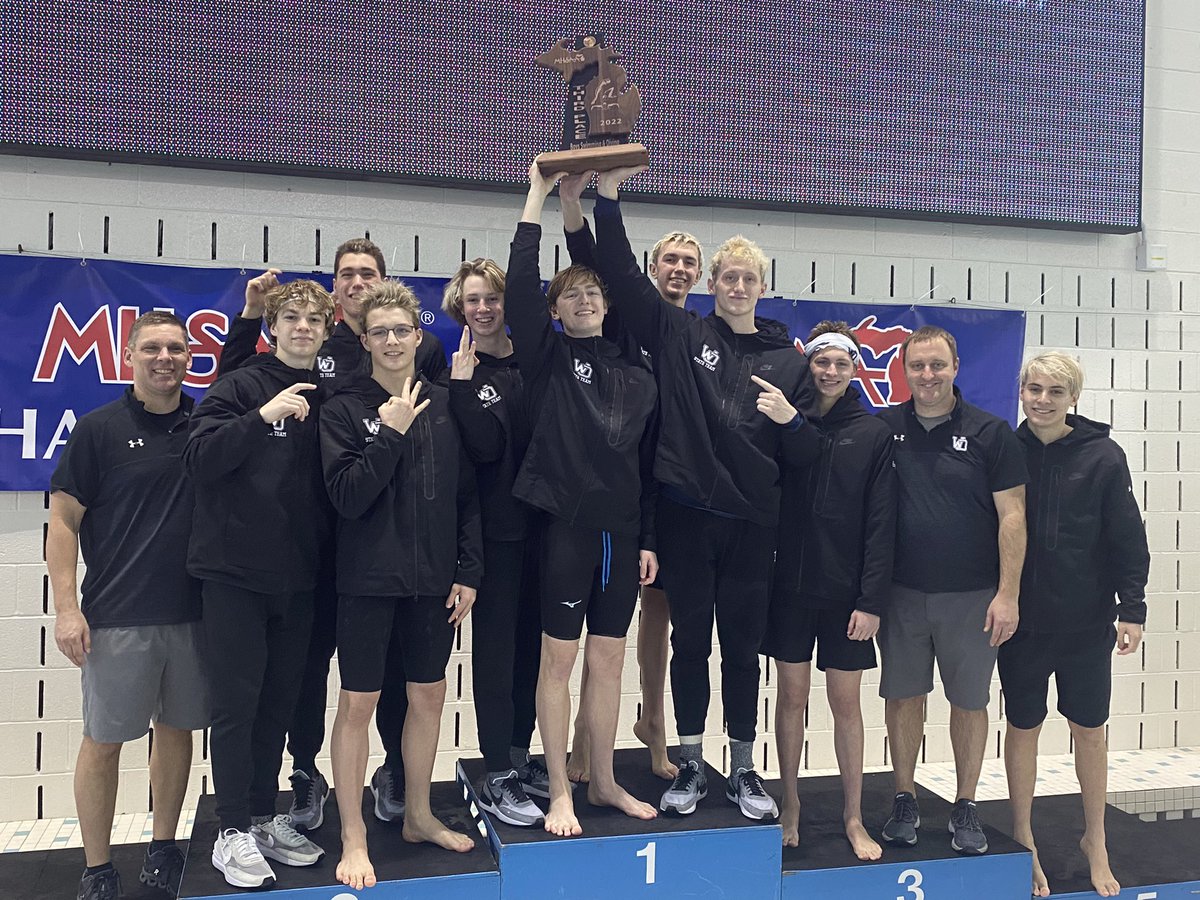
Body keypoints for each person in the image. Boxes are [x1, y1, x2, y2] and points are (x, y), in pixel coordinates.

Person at [591, 165, 818, 820]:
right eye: (729, 278)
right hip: (688, 517)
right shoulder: (680, 334)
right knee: (690, 645)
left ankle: (744, 768)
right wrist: (609, 198)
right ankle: (690, 763)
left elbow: (805, 457)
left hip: (753, 527)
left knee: (743, 651)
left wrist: (791, 421)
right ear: (710, 285)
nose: (739, 287)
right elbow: (623, 278)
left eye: (750, 279)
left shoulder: (790, 363)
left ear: (762, 288)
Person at [216, 238, 445, 831]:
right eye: (346, 274)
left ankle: (395, 767)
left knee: (397, 677)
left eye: (368, 273)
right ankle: (303, 770)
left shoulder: (408, 349)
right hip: (313, 547)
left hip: (374, 544)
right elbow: (235, 379)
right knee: (307, 674)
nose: (357, 282)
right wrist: (247, 319)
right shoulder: (318, 348)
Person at [511, 162, 660, 837]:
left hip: (621, 536)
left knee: (608, 661)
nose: (587, 300)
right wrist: (541, 199)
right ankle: (558, 794)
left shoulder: (632, 363)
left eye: (594, 293)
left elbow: (648, 462)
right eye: (572, 295)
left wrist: (601, 203)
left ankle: (600, 780)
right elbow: (520, 289)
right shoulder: (546, 357)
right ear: (555, 309)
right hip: (568, 532)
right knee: (559, 661)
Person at [320, 282, 482, 890]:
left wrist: (468, 570)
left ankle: (417, 813)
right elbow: (346, 496)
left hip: (432, 581)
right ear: (363, 341)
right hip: (365, 580)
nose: (391, 341)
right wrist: (388, 434)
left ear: (419, 336)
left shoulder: (444, 404)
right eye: (379, 332)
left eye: (401, 330)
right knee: (358, 705)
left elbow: (468, 498)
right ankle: (354, 833)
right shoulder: (342, 409)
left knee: (428, 698)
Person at [48, 311, 208, 900]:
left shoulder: (206, 423)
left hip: (194, 616)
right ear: (129, 354)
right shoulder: (98, 430)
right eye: (152, 348)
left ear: (190, 356)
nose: (164, 358)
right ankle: (97, 868)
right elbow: (63, 522)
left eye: (175, 348)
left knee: (176, 732)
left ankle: (164, 849)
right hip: (117, 617)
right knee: (104, 742)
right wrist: (68, 610)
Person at [185, 280, 333, 889]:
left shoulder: (332, 395)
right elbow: (200, 459)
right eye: (291, 317)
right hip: (234, 574)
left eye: (313, 319)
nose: (302, 327)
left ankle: (267, 817)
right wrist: (261, 417)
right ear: (272, 326)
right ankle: (232, 828)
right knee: (237, 706)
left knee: (279, 702)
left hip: (297, 579)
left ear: (327, 330)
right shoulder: (240, 385)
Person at [559, 179, 704, 783]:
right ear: (650, 268)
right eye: (669, 258)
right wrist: (573, 208)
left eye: (688, 261)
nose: (678, 267)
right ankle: (582, 741)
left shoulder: (699, 336)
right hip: (621, 486)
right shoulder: (626, 320)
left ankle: (653, 728)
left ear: (697, 276)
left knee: (660, 616)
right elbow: (592, 264)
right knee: (611, 623)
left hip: (672, 488)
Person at [1001, 351, 1149, 897]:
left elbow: (1127, 538)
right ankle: (1023, 836)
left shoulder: (1104, 456)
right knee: (1024, 727)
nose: (1041, 400)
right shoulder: (1004, 450)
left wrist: (1131, 608)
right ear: (1021, 392)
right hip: (1023, 625)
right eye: (1033, 389)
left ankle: (1097, 839)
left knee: (1089, 730)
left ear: (1073, 399)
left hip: (1087, 621)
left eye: (1054, 392)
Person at [877, 325, 1027, 855]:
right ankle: (904, 798)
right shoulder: (885, 428)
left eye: (937, 365)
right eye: (917, 365)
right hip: (900, 594)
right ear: (904, 369)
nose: (927, 375)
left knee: (968, 702)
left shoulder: (991, 433)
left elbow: (1012, 518)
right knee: (902, 697)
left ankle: (966, 804)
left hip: (972, 598)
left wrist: (1007, 594)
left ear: (956, 367)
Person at [766, 321, 896, 858]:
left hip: (846, 596)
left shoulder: (872, 433)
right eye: (822, 362)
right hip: (791, 588)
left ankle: (853, 815)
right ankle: (790, 801)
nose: (831, 372)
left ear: (853, 370)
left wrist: (871, 601)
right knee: (791, 697)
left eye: (842, 363)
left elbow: (881, 523)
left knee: (846, 703)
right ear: (808, 364)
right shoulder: (783, 423)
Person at [443, 260, 548, 825]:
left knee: (534, 650)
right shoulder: (459, 371)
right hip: (496, 533)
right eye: (473, 301)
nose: (483, 309)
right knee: (496, 653)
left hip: (546, 528)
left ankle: (519, 752)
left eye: (492, 299)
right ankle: (496, 770)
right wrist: (461, 389)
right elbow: (479, 454)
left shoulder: (537, 361)